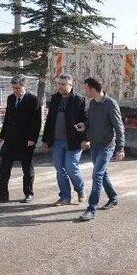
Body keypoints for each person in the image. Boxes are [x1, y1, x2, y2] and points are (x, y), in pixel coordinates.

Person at [75, 77, 125, 222]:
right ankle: (113, 198)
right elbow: (90, 121)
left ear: (93, 89)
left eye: (86, 88)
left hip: (107, 146)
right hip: (95, 145)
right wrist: (84, 126)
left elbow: (119, 127)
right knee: (102, 174)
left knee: (97, 175)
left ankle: (91, 209)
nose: (85, 91)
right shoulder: (92, 103)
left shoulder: (110, 104)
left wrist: (120, 148)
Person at [0, 75, 41, 204]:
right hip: (10, 139)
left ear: (25, 86)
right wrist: (2, 135)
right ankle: (1, 195)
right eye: (14, 88)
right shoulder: (11, 99)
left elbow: (36, 122)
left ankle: (28, 193)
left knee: (27, 168)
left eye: (18, 88)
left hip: (26, 140)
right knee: (4, 168)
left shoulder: (33, 100)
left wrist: (32, 138)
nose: (16, 91)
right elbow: (8, 118)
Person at [42, 74, 87, 205]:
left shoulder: (78, 99)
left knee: (71, 167)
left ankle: (80, 190)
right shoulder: (55, 99)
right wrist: (46, 140)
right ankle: (65, 197)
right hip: (57, 141)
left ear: (70, 85)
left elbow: (84, 120)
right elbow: (49, 120)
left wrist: (85, 139)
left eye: (63, 84)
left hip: (73, 141)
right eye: (59, 84)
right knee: (60, 169)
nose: (60, 87)